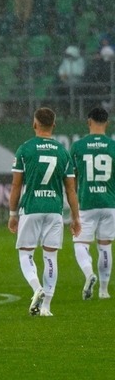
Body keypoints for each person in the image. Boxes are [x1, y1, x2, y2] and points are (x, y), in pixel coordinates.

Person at [8, 107, 81, 317]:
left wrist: (12, 214)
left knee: (25, 253)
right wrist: (76, 218)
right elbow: (71, 190)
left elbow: (16, 186)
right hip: (54, 210)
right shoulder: (62, 152)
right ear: (54, 125)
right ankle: (46, 306)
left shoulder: (25, 149)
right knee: (50, 256)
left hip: (31, 208)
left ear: (34, 124)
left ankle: (36, 287)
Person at [70, 107, 114, 300]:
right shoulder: (112, 146)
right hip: (109, 203)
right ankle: (104, 291)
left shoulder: (78, 147)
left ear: (89, 122)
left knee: (80, 243)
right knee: (105, 246)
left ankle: (89, 274)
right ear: (107, 123)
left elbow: (71, 179)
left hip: (87, 202)